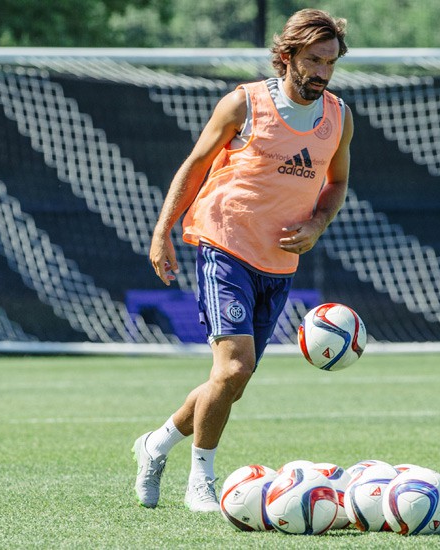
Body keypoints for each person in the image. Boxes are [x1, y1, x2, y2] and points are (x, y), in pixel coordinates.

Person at [133, 8, 354, 512]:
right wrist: (163, 231)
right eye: (315, 60)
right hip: (224, 245)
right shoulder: (243, 103)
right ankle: (201, 480)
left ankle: (156, 444)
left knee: (231, 380)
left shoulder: (338, 116)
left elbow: (336, 182)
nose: (322, 71)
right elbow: (194, 167)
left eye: (331, 62)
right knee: (234, 368)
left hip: (278, 263)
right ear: (289, 54)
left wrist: (318, 224)